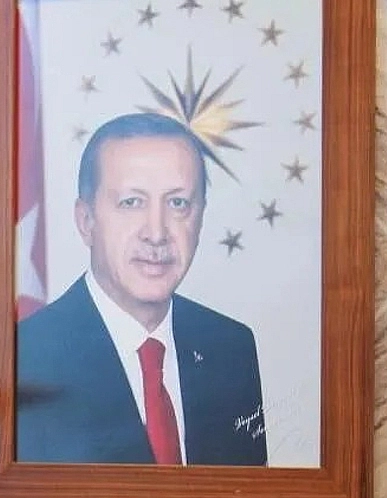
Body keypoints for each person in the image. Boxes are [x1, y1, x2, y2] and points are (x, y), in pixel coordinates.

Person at [16, 112, 267, 466]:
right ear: (86, 221)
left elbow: (248, 497)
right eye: (131, 202)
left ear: (200, 218)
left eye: (178, 203)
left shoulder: (230, 347)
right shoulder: (27, 355)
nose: (156, 233)